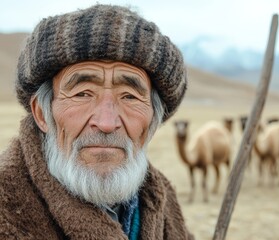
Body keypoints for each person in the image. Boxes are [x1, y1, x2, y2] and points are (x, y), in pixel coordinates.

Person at [0, 4, 193, 240]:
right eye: (82, 93)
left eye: (129, 96)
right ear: (42, 113)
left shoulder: (161, 200)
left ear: (153, 120)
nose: (107, 123)